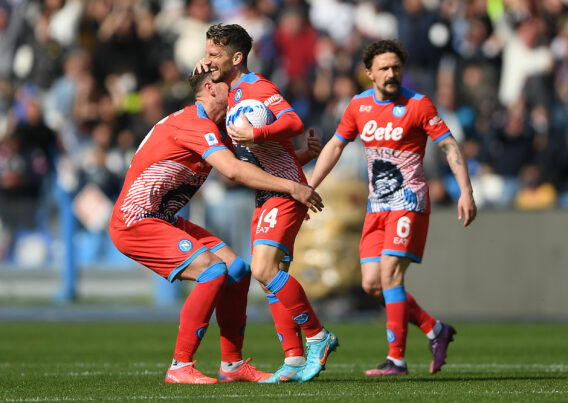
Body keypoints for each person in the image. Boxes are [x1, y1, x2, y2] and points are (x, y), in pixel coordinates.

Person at [109, 69, 324, 384]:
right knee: (213, 271)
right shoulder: (194, 124)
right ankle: (180, 366)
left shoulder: (217, 129)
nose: (236, 88)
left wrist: (301, 157)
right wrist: (293, 188)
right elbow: (234, 171)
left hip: (162, 218)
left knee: (237, 271)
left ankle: (232, 366)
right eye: (228, 84)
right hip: (136, 221)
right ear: (210, 88)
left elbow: (239, 171)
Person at [308, 40, 477, 376]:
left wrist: (465, 191)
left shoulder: (418, 104)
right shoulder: (358, 106)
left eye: (396, 67)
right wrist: (309, 184)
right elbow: (335, 146)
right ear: (369, 73)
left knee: (389, 275)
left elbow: (448, 145)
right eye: (384, 68)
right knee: (372, 284)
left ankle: (396, 360)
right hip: (376, 207)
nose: (391, 73)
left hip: (409, 203)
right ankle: (435, 329)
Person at [197, 23, 338, 383]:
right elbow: (272, 155)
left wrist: (256, 132)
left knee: (262, 270)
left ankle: (318, 337)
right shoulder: (231, 93)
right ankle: (292, 357)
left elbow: (292, 119)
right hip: (269, 193)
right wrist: (303, 154)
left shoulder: (258, 87)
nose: (209, 60)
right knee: (271, 278)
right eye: (208, 53)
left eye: (215, 54)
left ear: (237, 57)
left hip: (286, 193)